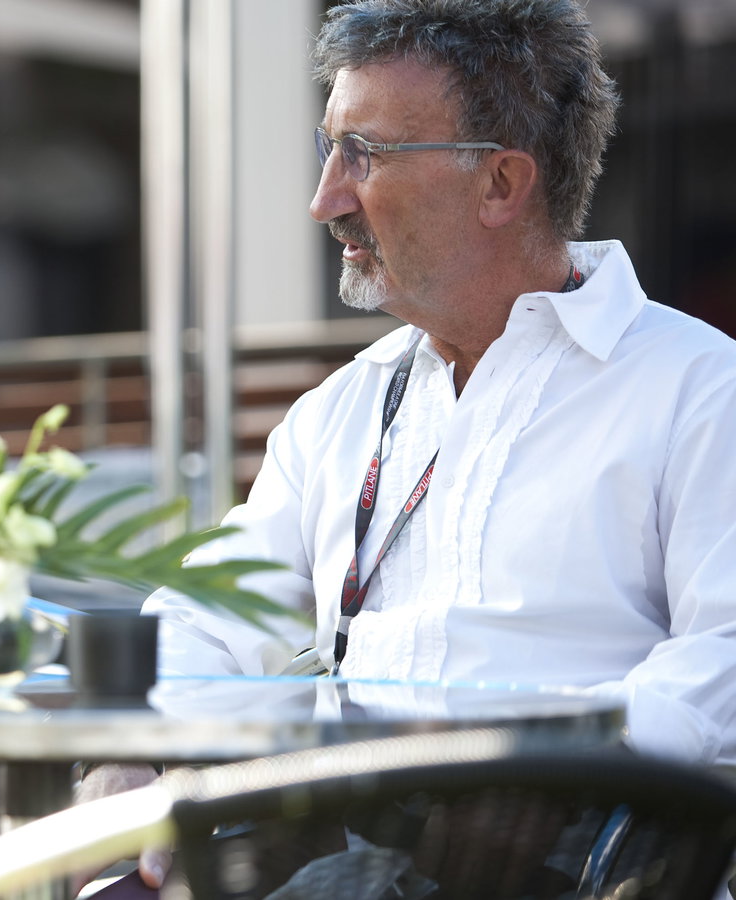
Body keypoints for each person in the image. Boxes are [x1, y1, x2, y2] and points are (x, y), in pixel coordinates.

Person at [84, 0, 736, 891]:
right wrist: (135, 745)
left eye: (365, 154)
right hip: (337, 848)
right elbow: (207, 617)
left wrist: (541, 772)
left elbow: (726, 657)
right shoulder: (343, 409)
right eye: (329, 149)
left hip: (578, 866)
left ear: (500, 184)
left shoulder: (699, 390)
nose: (325, 200)